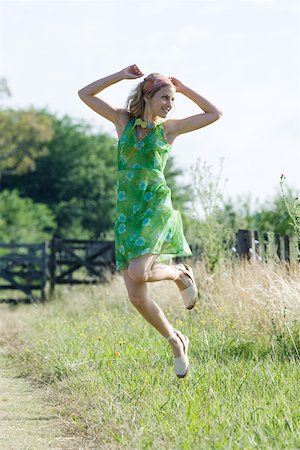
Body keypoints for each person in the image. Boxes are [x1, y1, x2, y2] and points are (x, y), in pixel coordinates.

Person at [78, 64, 222, 378]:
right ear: (148, 95)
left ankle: (179, 273)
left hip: (155, 209)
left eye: (173, 99)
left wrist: (184, 89)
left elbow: (214, 113)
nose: (170, 105)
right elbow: (84, 94)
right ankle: (176, 340)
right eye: (165, 97)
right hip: (127, 215)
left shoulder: (167, 130)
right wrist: (118, 75)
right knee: (136, 296)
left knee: (139, 273)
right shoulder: (123, 121)